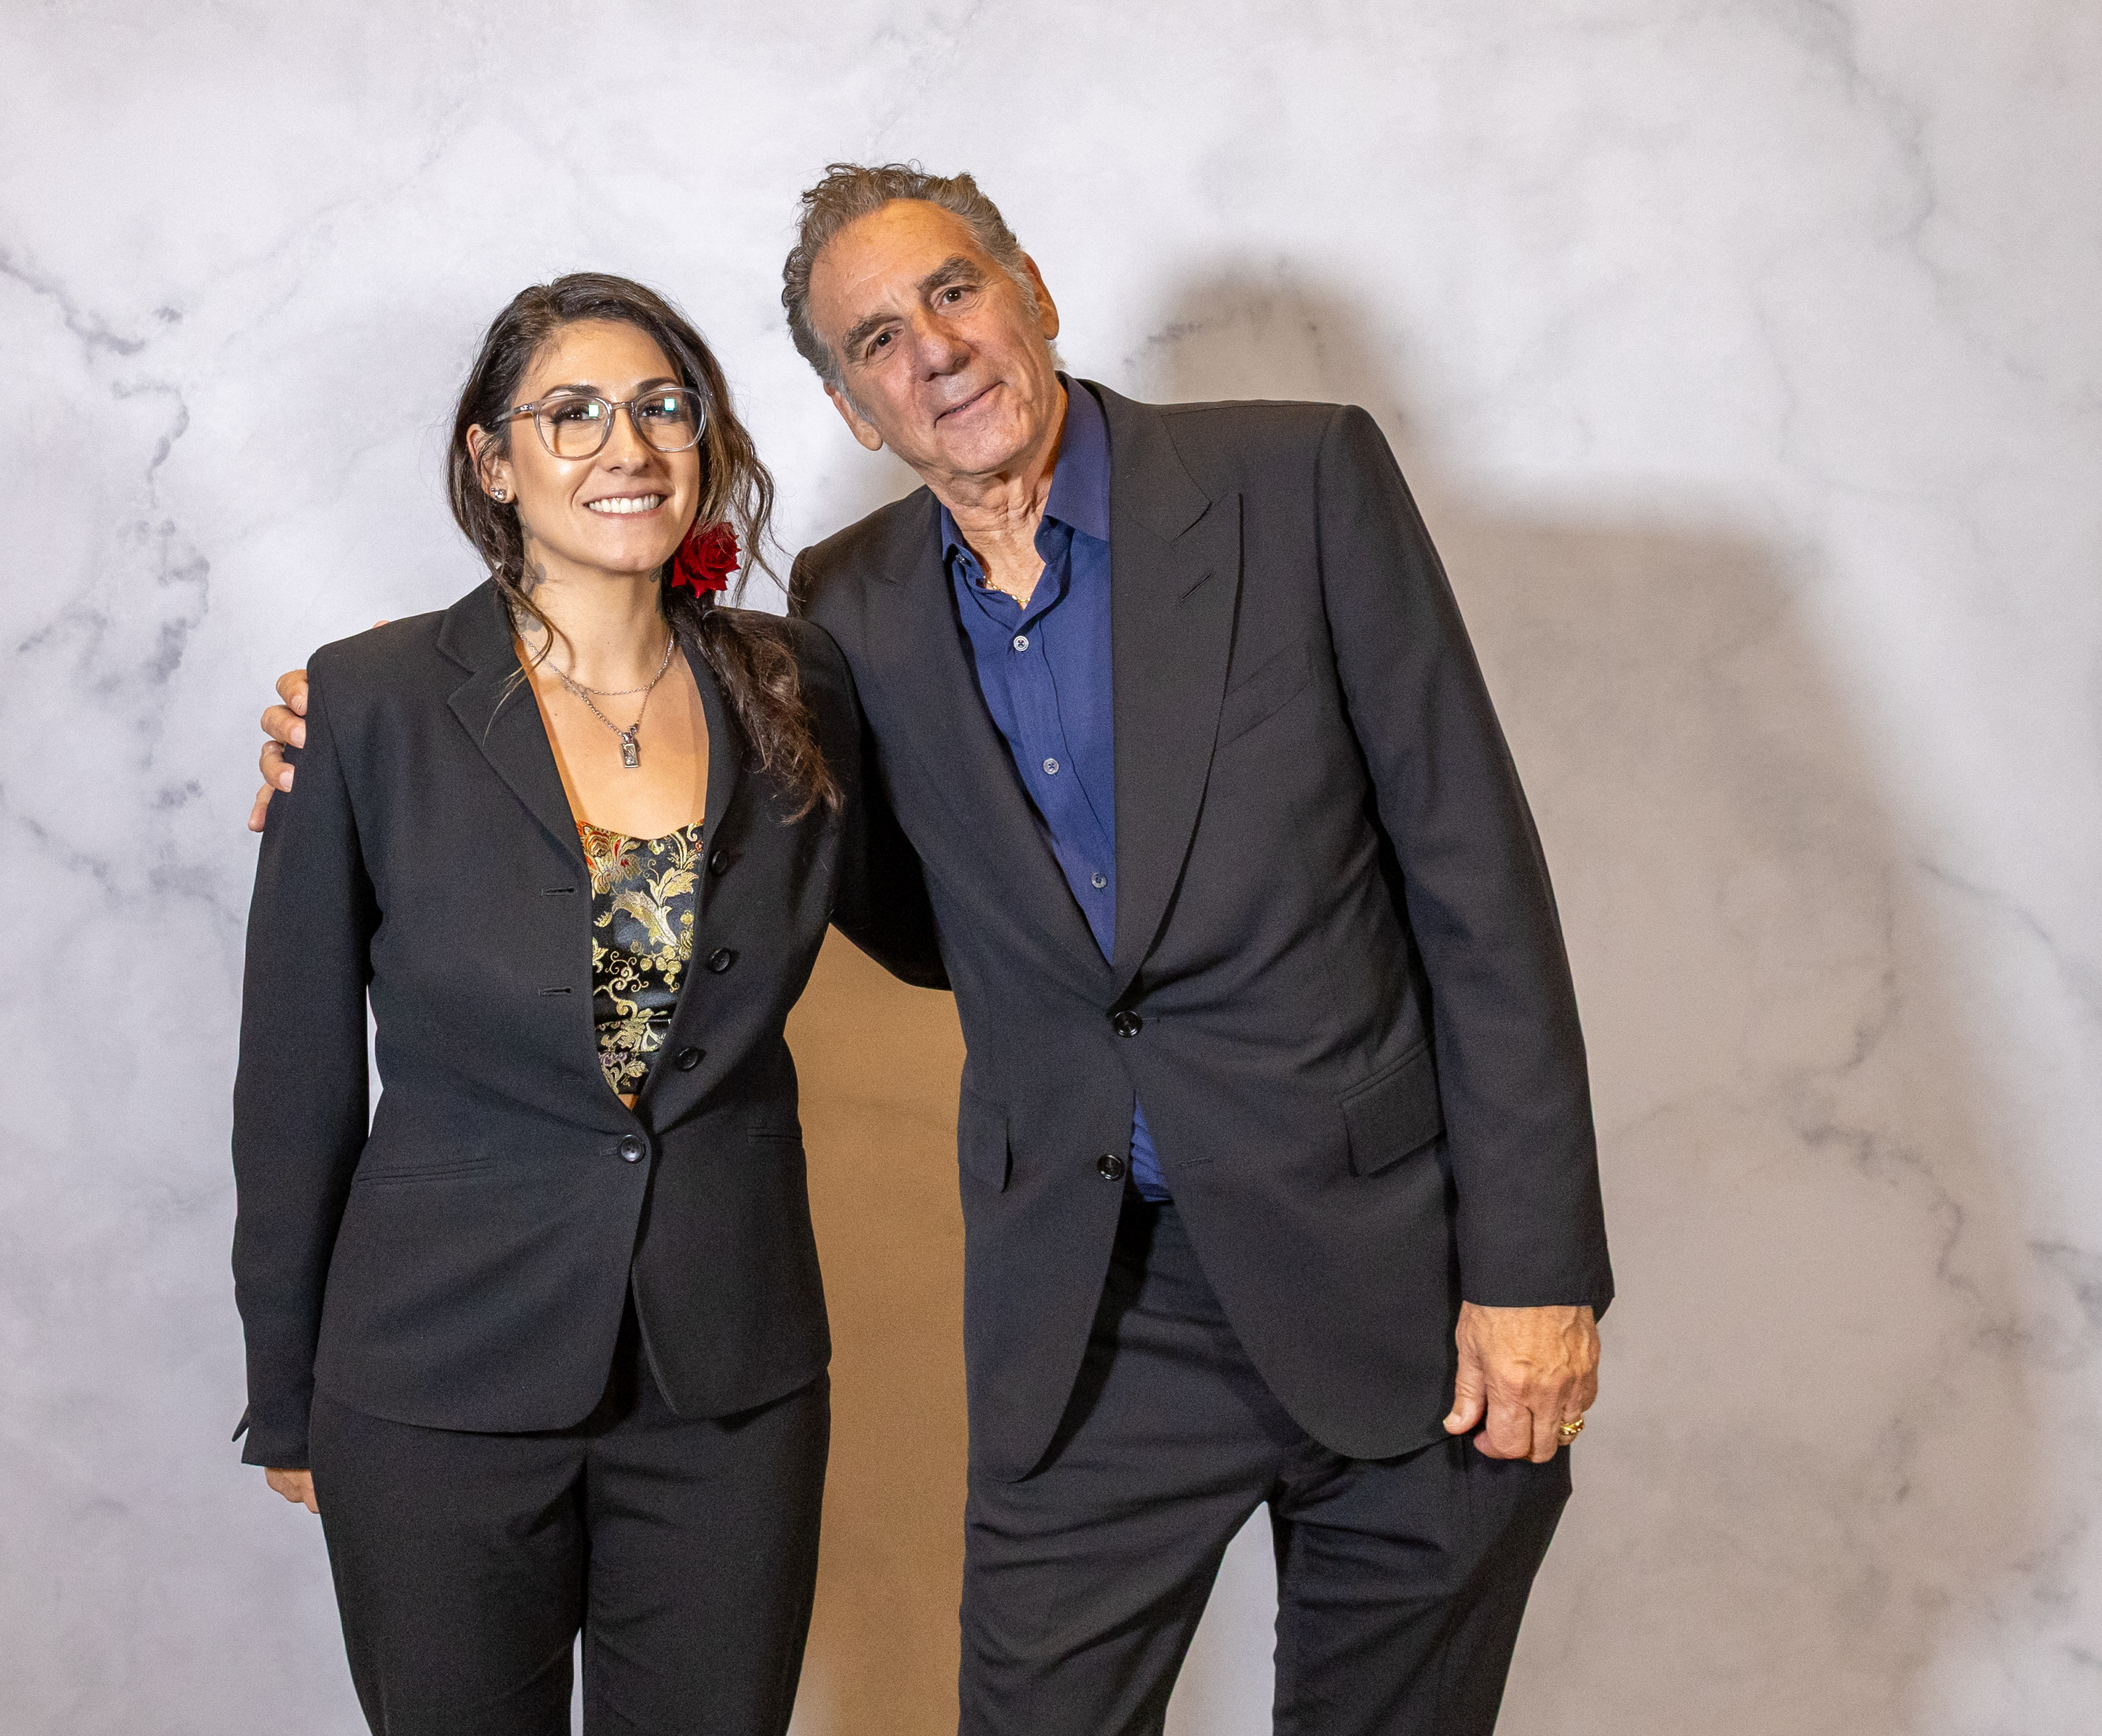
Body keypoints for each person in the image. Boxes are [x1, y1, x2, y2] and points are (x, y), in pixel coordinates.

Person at [254, 166, 1612, 1736]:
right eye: (876, 339)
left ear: (1030, 291)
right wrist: (344, 736)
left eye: (953, 292)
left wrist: (1533, 1269)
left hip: (1391, 1272)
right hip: (1090, 1305)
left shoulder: (1287, 483)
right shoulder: (848, 611)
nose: (935, 351)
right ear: (848, 406)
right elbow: (904, 909)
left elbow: (1474, 881)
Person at [232, 272, 887, 1736]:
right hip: (437, 1374)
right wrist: (285, 1381)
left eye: (662, 406)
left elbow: (939, 916)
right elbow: (293, 1072)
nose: (626, 445)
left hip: (727, 1379)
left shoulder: (797, 683)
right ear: (492, 460)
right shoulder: (367, 700)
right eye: (571, 412)